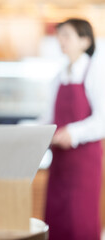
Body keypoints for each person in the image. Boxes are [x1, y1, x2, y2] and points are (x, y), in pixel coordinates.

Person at [43, 18, 105, 240]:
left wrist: (73, 133)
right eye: (59, 35)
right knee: (55, 219)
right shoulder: (58, 77)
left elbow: (102, 120)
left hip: (84, 164)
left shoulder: (95, 71)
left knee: (80, 220)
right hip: (59, 162)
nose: (61, 40)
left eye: (67, 35)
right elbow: (48, 118)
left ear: (85, 41)